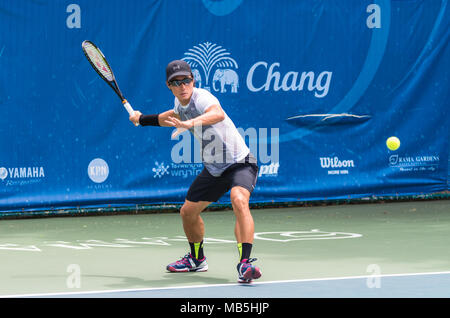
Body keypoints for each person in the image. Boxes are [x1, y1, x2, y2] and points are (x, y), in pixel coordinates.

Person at [129, 60, 261, 283]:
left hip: (240, 162)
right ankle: (197, 259)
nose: (182, 86)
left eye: (186, 80)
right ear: (169, 85)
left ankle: (245, 264)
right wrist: (141, 119)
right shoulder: (180, 104)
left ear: (193, 80)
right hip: (214, 169)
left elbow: (217, 114)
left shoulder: (203, 98)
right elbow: (170, 117)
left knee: (238, 199)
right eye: (176, 82)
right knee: (187, 212)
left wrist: (191, 124)